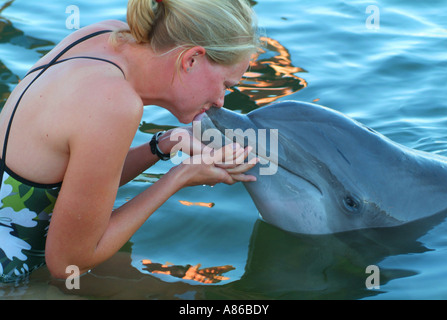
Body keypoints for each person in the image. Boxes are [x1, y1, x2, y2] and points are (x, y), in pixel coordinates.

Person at [0, 0, 260, 282]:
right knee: (178, 294)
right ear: (191, 59)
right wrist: (179, 177)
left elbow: (72, 180)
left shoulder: (103, 37)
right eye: (226, 85)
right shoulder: (115, 102)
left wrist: (164, 144)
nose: (220, 102)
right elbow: (68, 265)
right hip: (13, 279)